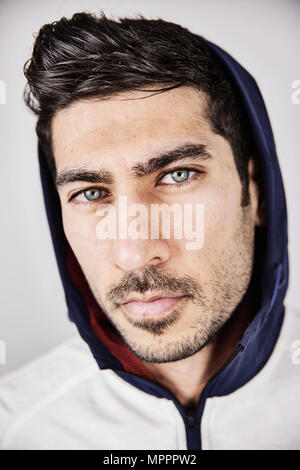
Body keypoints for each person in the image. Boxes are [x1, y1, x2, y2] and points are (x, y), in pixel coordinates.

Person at [0, 11, 299, 450]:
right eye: (90, 193)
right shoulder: (16, 427)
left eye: (178, 175)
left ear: (255, 192)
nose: (136, 253)